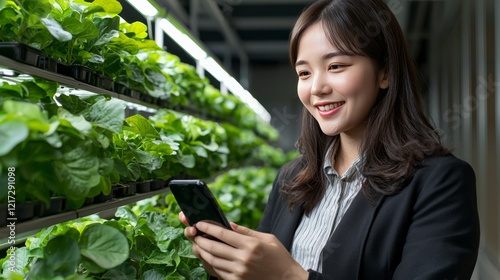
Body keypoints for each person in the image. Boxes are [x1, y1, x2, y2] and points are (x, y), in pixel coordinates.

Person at [179, 0, 480, 279]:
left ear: (385, 72)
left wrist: (289, 276)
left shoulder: (441, 182)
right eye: (304, 72)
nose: (317, 88)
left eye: (336, 66)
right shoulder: (291, 178)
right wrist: (231, 268)